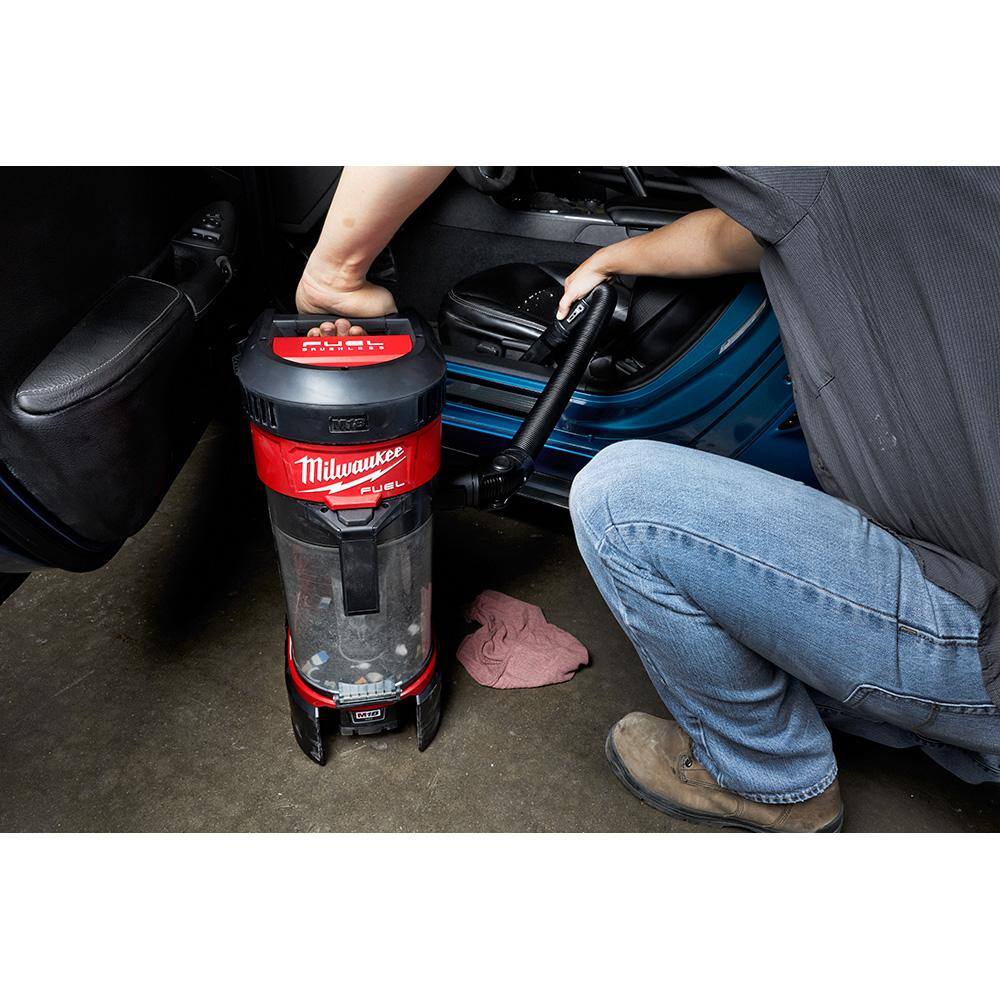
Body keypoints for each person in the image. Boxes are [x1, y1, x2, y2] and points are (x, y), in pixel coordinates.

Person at [300, 167, 1000, 832]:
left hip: (980, 643)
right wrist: (617, 257)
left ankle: (770, 780)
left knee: (622, 504)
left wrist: (333, 274)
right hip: (969, 594)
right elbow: (754, 226)